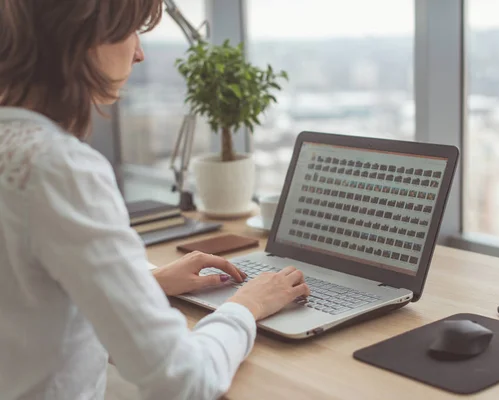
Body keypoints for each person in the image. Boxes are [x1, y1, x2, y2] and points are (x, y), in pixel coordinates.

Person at [0, 1, 311, 399]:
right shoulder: (58, 169)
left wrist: (144, 284)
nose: (139, 52)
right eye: (131, 31)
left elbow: (27, 299)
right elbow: (185, 380)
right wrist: (247, 305)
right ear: (84, 34)